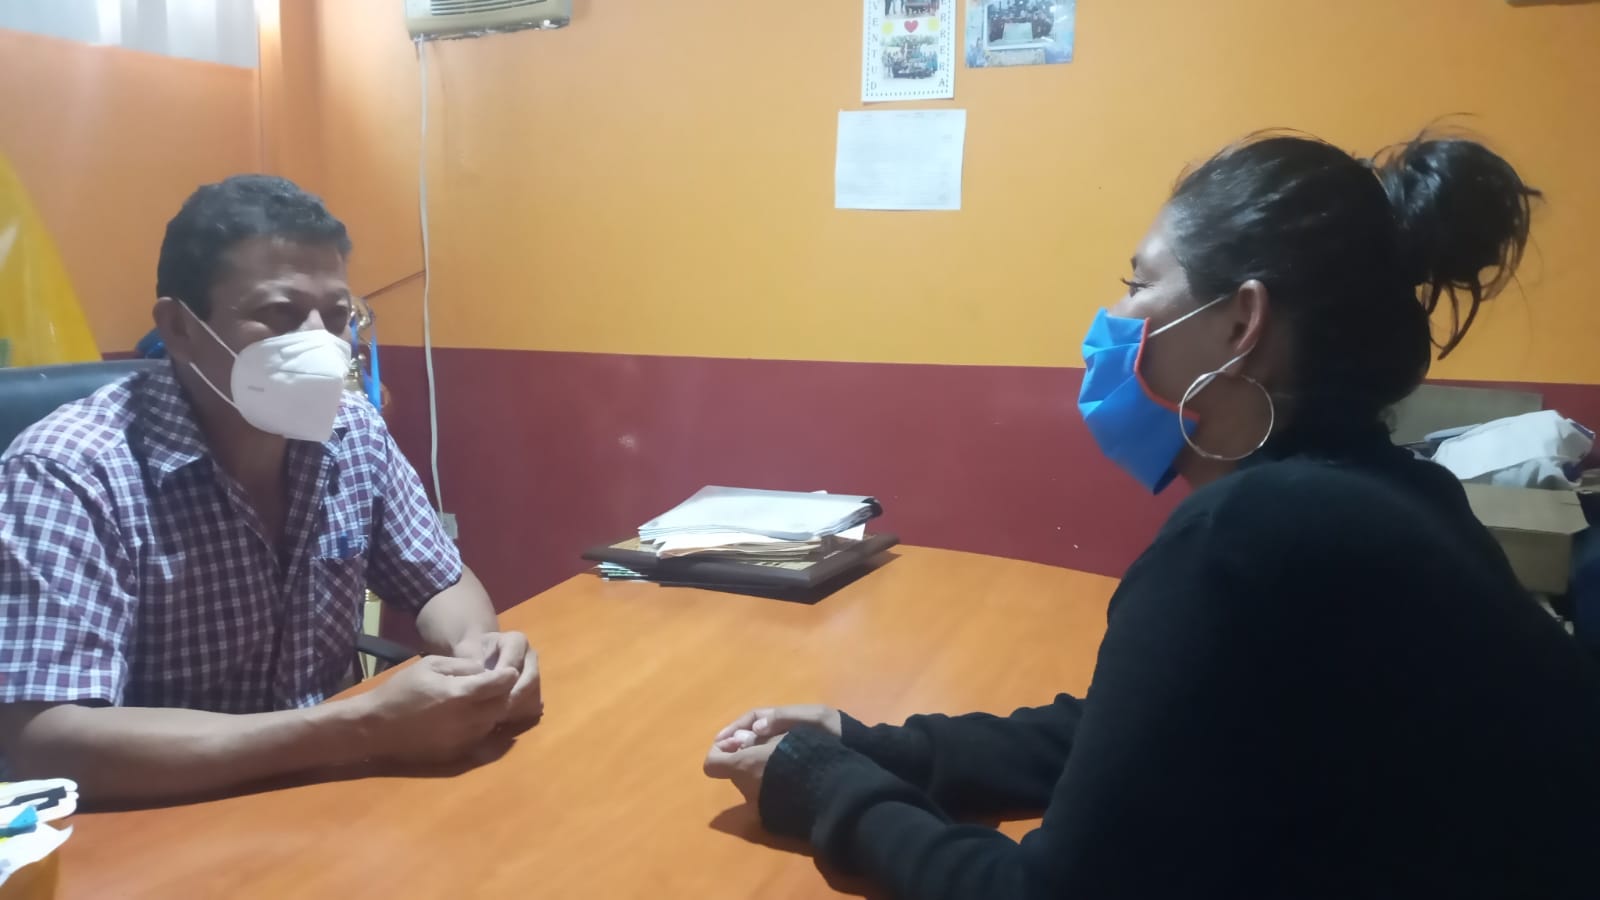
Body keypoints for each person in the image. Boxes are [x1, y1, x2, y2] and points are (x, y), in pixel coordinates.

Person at [704, 131, 1600, 898]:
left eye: (1138, 285)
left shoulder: (1248, 536)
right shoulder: (1389, 493)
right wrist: (874, 746)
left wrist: (824, 790)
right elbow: (1136, 732)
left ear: (1241, 324)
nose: (1113, 318)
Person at [0, 175, 542, 803]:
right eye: (279, 315)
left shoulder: (351, 430)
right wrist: (359, 726)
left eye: (336, 316)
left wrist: (478, 657)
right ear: (178, 328)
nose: (321, 343)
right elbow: (45, 739)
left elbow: (438, 581)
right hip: (159, 815)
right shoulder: (68, 470)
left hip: (330, 791)